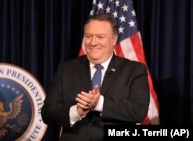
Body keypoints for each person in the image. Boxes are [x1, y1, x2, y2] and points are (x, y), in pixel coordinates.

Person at [41, 13, 150, 141]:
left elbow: (138, 112)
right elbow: (48, 113)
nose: (93, 42)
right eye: (88, 36)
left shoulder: (134, 70)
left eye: (100, 37)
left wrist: (99, 103)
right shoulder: (66, 69)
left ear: (114, 40)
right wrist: (76, 112)